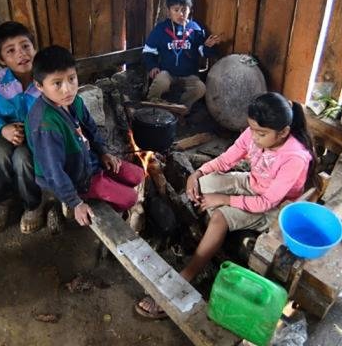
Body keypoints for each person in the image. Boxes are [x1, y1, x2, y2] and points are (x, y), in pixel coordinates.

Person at [135, 92, 318, 319]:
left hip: (274, 206)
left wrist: (223, 200)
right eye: (251, 129)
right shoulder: (254, 134)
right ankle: (210, 230)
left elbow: (266, 201)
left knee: (220, 216)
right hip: (252, 183)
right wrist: (198, 173)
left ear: (283, 133)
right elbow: (226, 159)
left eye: (261, 134)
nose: (254, 137)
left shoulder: (295, 157)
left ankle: (187, 275)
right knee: (202, 185)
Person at [26, 45, 144, 227]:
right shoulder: (46, 125)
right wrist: (76, 203)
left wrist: (104, 152)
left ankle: (106, 184)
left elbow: (91, 130)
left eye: (71, 79)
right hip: (76, 178)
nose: (67, 89)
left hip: (88, 161)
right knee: (130, 198)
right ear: (39, 86)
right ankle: (86, 200)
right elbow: (53, 172)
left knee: (138, 175)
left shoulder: (75, 102)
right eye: (57, 83)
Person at [0, 21, 44, 234]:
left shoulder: (47, 79)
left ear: (35, 48)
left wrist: (36, 132)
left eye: (26, 46)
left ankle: (32, 205)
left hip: (39, 139)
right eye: (11, 50)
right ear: (1, 59)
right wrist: (2, 130)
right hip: (8, 135)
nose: (21, 54)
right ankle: (2, 199)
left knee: (22, 159)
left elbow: (60, 111)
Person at [143, 0, 220, 113]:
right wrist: (152, 66)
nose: (181, 14)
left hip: (189, 75)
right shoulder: (161, 29)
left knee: (200, 88)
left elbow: (203, 52)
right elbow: (148, 51)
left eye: (184, 10)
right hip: (167, 73)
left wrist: (209, 47)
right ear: (169, 12)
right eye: (176, 10)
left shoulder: (195, 29)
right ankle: (152, 106)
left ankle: (180, 109)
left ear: (190, 10)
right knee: (161, 81)